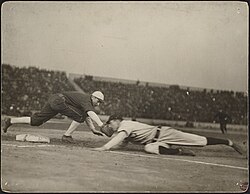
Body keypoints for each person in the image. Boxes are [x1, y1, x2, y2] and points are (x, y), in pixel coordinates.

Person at [95, 114, 244, 156]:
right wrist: (112, 147)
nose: (110, 127)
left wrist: (105, 147)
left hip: (164, 133)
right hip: (157, 141)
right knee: (149, 148)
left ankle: (229, 142)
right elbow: (122, 143)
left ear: (116, 120)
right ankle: (178, 151)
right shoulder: (124, 129)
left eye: (110, 123)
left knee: (199, 141)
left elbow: (119, 139)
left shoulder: (125, 125)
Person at [2, 91, 106, 142]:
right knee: (80, 116)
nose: (98, 104)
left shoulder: (87, 100)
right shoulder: (87, 99)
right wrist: (101, 125)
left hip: (55, 99)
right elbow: (89, 114)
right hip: (59, 101)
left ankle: (10, 121)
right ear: (93, 97)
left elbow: (87, 115)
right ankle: (67, 136)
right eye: (98, 101)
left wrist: (93, 129)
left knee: (36, 121)